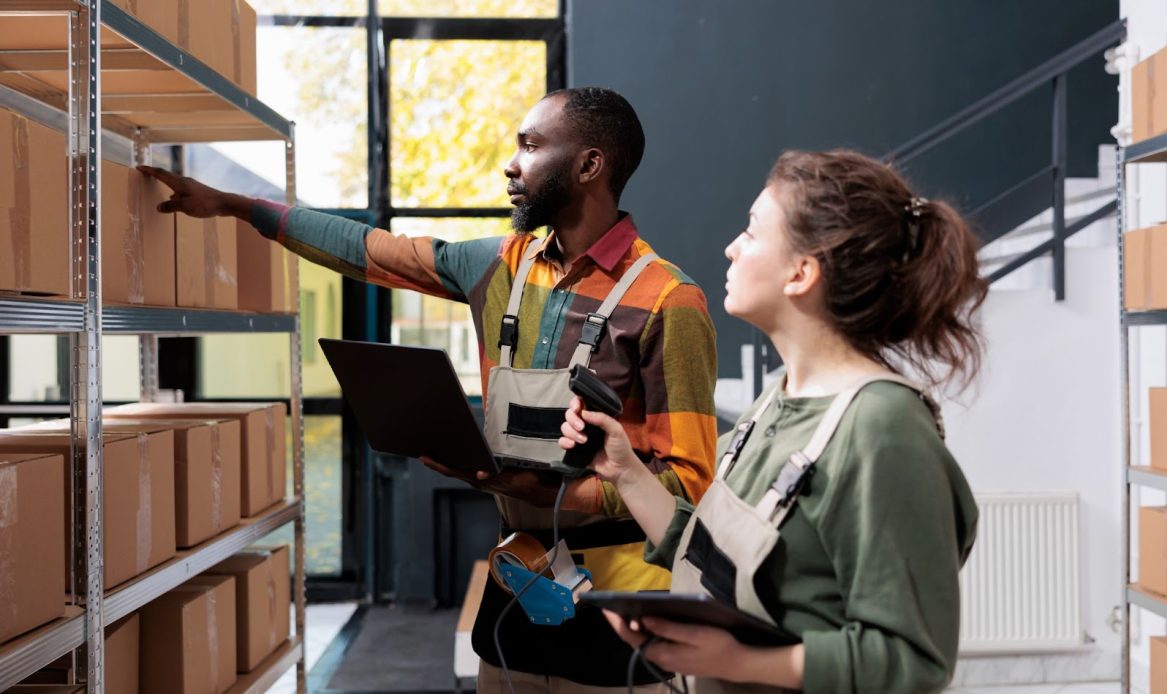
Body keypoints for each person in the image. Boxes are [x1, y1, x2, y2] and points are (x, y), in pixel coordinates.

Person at [140, 87, 718, 692]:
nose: (511, 164)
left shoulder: (669, 301)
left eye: (530, 145)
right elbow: (366, 250)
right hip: (518, 588)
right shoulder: (498, 265)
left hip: (621, 610)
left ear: (588, 164)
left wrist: (558, 495)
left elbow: (689, 485)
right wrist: (235, 206)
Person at [560, 149, 984, 693]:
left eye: (752, 231)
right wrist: (625, 472)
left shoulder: (883, 429)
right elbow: (707, 553)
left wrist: (737, 661)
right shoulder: (775, 400)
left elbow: (913, 661)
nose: (732, 247)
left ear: (801, 273)